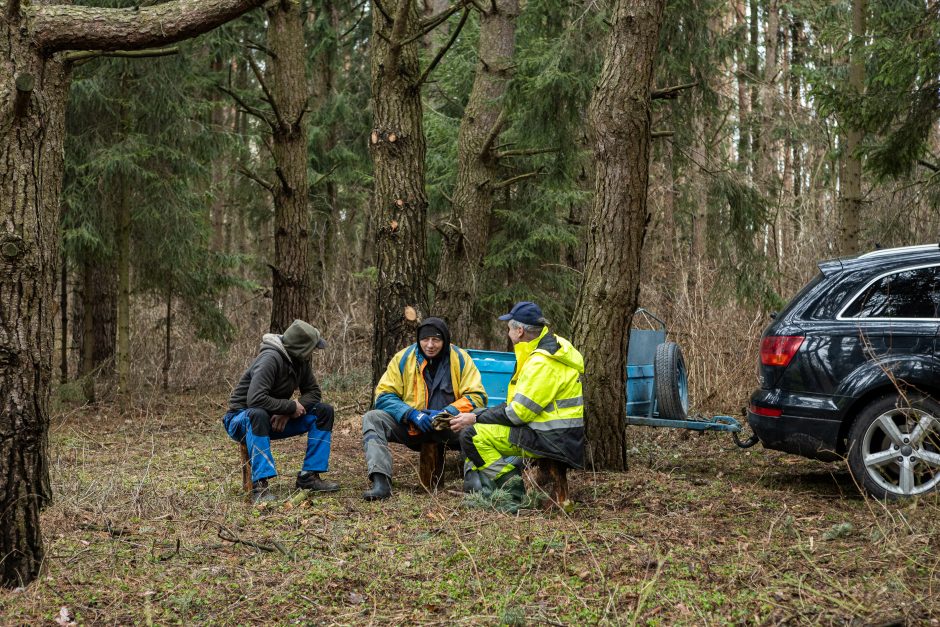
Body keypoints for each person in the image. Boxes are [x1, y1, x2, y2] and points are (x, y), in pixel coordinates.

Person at [449, 301, 585, 493]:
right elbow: (518, 406)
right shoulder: (552, 347)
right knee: (479, 415)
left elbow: (517, 414)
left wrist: (476, 418)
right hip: (556, 433)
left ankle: (512, 488)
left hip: (551, 439)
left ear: (519, 331)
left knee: (470, 434)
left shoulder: (541, 362)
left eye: (508, 329)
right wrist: (481, 414)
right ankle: (491, 485)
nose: (507, 333)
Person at [361, 317, 487, 500]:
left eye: (436, 340)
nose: (430, 345)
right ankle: (381, 481)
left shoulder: (460, 358)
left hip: (450, 427)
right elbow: (383, 395)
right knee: (373, 418)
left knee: (478, 418)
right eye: (425, 339)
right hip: (413, 427)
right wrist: (410, 414)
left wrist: (449, 412)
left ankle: (473, 480)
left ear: (445, 340)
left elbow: (478, 396)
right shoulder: (404, 358)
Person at [222, 319, 340, 503]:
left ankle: (309, 477)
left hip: (273, 419)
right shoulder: (270, 359)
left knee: (323, 412)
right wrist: (290, 406)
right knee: (257, 415)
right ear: (302, 347)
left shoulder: (300, 361)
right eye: (312, 347)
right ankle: (259, 486)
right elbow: (255, 399)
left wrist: (288, 411)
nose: (314, 352)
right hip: (241, 420)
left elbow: (314, 392)